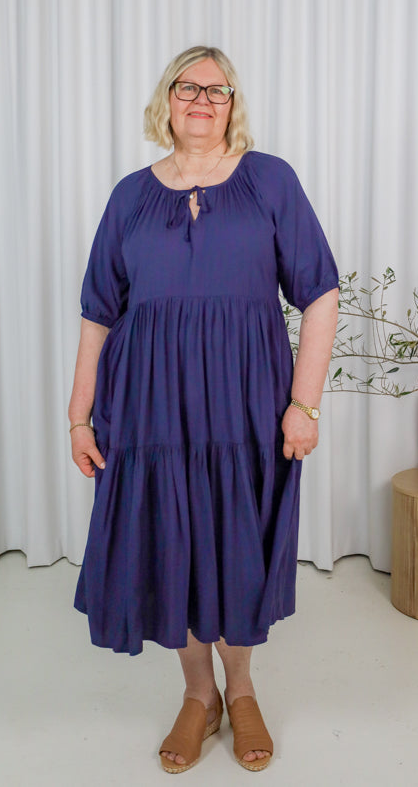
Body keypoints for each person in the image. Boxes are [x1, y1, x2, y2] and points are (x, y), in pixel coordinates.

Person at [68, 45, 339, 774]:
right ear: (168, 99)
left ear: (232, 106)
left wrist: (303, 405)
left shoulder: (269, 181)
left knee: (235, 542)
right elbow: (98, 312)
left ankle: (242, 689)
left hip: (247, 406)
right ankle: (198, 698)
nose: (202, 99)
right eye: (189, 86)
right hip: (150, 408)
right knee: (172, 544)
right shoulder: (130, 195)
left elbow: (320, 292)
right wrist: (79, 415)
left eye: (218, 91)